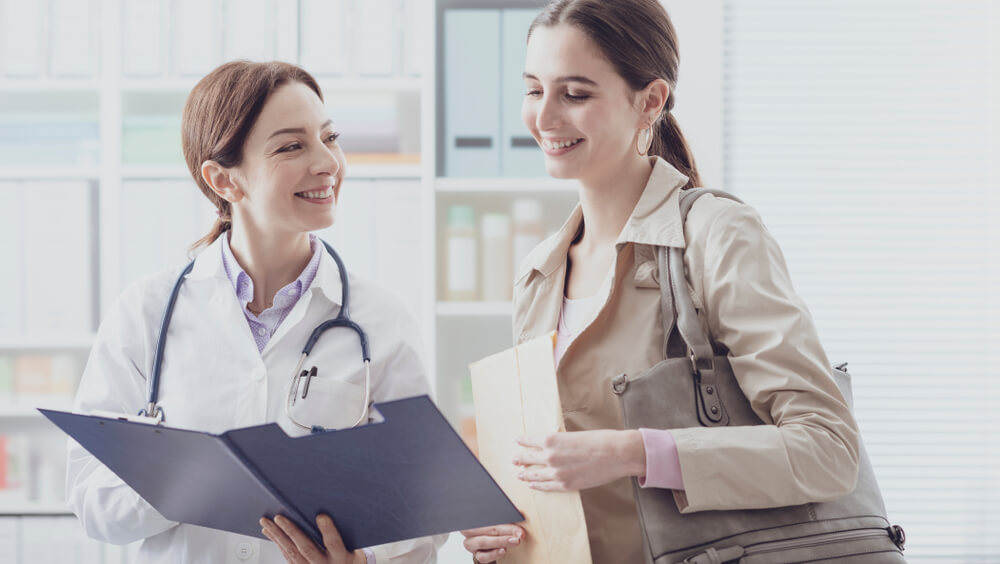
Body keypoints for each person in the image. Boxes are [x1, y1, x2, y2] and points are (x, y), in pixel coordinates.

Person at [461, 1, 860, 562]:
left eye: (574, 94)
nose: (544, 118)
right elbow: (556, 482)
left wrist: (638, 452)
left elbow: (829, 449)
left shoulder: (717, 235)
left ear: (650, 101)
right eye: (533, 90)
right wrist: (505, 532)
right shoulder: (538, 275)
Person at [67, 61, 444, 564]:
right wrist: (181, 480)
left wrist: (363, 562)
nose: (327, 162)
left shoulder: (382, 321)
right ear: (224, 180)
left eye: (329, 138)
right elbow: (92, 499)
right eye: (292, 145)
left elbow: (426, 504)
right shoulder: (146, 312)